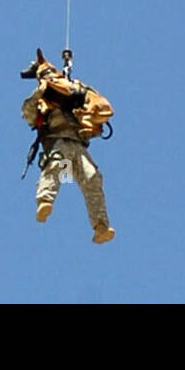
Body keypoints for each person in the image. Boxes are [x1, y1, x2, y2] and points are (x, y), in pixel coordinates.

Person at [21, 48, 115, 243]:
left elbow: (97, 113)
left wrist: (79, 96)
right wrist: (39, 94)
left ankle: (101, 226)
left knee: (93, 178)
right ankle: (45, 201)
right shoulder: (42, 101)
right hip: (59, 142)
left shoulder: (72, 89)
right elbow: (29, 115)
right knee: (57, 166)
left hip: (78, 147)